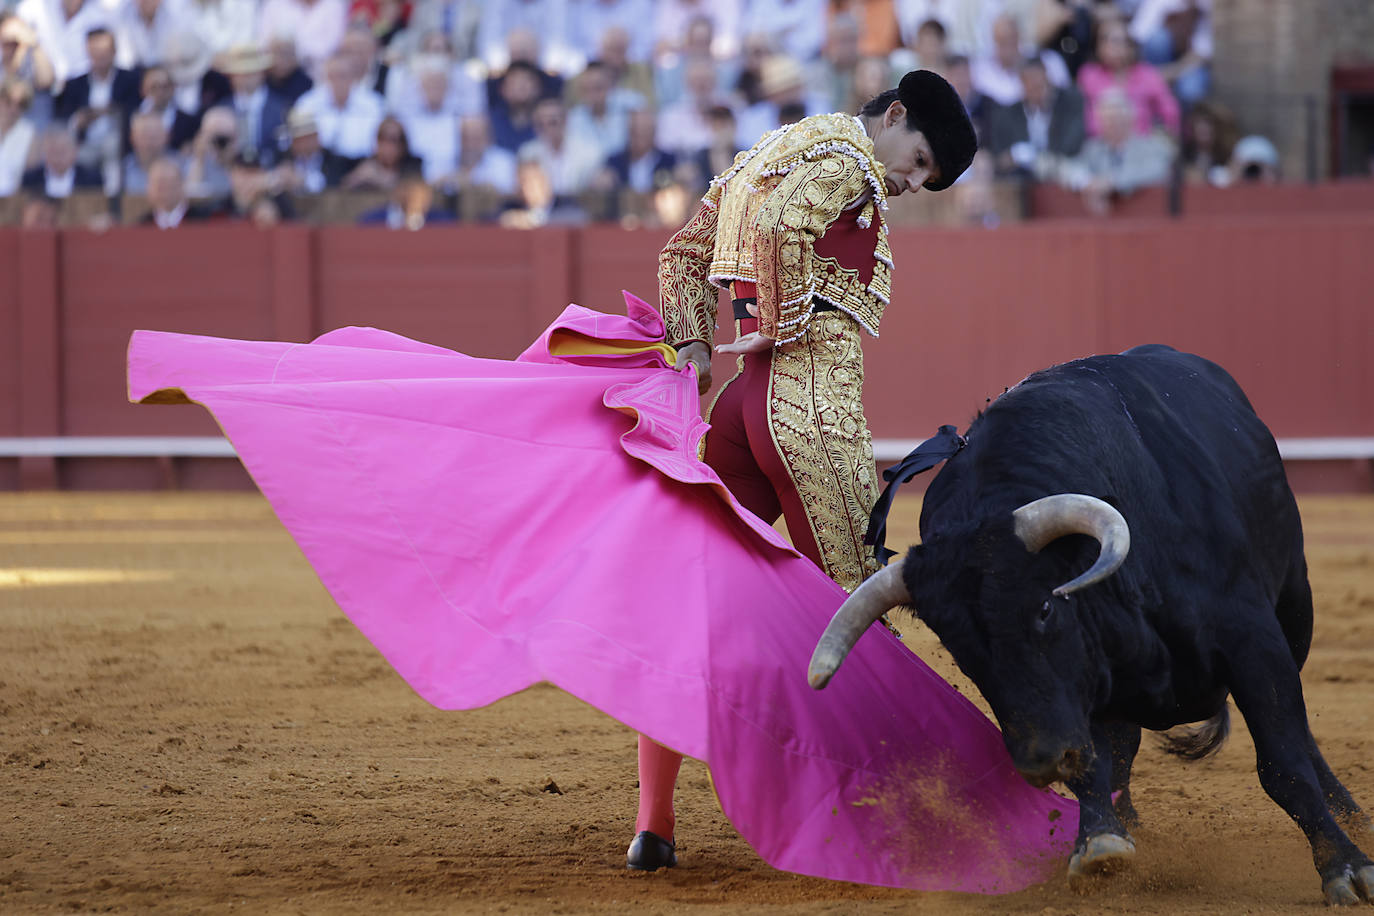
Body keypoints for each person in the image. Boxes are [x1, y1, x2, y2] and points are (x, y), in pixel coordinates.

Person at [628, 68, 977, 872]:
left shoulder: (771, 148)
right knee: (860, 614)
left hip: (740, 412)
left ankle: (654, 822)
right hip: (808, 407)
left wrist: (694, 349)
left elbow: (684, 250)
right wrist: (777, 328)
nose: (911, 182)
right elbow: (786, 228)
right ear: (894, 116)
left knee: (697, 608)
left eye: (925, 180)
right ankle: (885, 821)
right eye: (919, 160)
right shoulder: (849, 163)